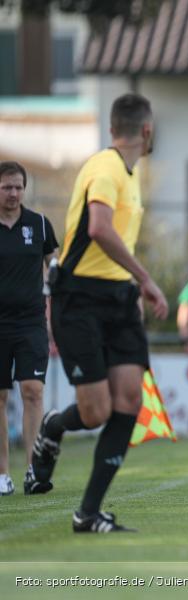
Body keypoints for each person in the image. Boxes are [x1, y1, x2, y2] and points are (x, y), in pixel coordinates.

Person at [31, 94, 169, 532]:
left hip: (118, 299)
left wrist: (132, 286)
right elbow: (99, 229)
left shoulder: (130, 173)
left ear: (113, 128)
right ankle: (54, 426)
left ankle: (87, 513)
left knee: (128, 399)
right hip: (79, 298)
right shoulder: (106, 168)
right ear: (146, 131)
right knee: (94, 412)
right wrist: (146, 279)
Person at [0, 161, 58, 496]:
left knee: (32, 390)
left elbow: (54, 263)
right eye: (7, 187)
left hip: (31, 321)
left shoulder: (37, 224)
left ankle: (33, 471)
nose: (13, 193)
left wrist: (60, 290)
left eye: (18, 187)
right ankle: (3, 473)